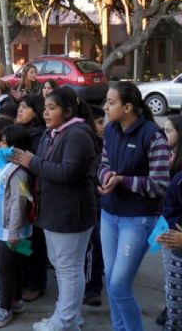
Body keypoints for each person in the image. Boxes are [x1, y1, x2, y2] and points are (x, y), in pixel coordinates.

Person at [9, 86, 98, 331]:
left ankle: (65, 321)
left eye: (52, 108)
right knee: (65, 266)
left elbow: (68, 172)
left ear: (68, 111)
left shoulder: (77, 134)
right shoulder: (54, 133)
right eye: (45, 108)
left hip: (70, 212)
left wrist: (32, 161)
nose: (46, 113)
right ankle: (68, 316)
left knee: (68, 268)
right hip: (54, 210)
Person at [98, 81, 169, 331]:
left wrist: (122, 181)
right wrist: (105, 177)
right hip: (109, 214)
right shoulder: (111, 130)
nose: (105, 107)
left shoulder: (152, 134)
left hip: (138, 218)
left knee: (118, 285)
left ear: (128, 107)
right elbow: (103, 163)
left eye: (111, 102)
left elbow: (160, 183)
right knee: (112, 279)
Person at [0, 125, 33, 328]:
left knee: (6, 269)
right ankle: (15, 300)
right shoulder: (3, 167)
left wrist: (13, 232)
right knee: (12, 267)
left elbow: (18, 203)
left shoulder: (19, 173)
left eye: (4, 143)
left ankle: (5, 308)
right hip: (2, 229)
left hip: (13, 232)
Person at [15, 95, 49, 303]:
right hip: (18, 191)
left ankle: (36, 283)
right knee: (21, 237)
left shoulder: (39, 136)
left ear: (36, 111)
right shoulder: (21, 132)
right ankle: (25, 279)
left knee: (35, 239)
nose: (20, 110)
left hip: (33, 194)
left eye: (25, 107)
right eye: (19, 106)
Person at [157, 115, 182, 330]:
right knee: (172, 287)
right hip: (171, 236)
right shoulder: (170, 159)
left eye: (168, 131)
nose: (164, 135)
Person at [83, 105, 106, 307]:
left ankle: (93, 287)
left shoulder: (109, 143)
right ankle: (91, 288)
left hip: (104, 202)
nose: (104, 126)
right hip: (91, 202)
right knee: (93, 245)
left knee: (97, 245)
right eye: (100, 122)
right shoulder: (88, 144)